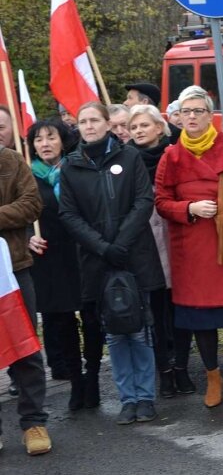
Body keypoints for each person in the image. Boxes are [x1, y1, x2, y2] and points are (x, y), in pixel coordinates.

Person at [155, 86, 223, 408]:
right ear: (178, 117)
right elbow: (161, 201)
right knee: (200, 320)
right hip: (190, 249)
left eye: (198, 111)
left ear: (210, 116)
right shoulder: (171, 156)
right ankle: (212, 377)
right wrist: (188, 209)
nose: (191, 116)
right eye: (185, 111)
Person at [59, 102, 165, 425]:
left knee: (139, 329)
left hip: (134, 256)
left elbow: (143, 201)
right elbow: (69, 215)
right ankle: (127, 398)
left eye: (95, 120)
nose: (89, 126)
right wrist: (104, 247)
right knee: (115, 333)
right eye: (83, 121)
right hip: (98, 261)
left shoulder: (129, 157)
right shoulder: (70, 166)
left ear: (107, 124)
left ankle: (145, 397)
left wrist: (121, 243)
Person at [26, 120, 101, 412]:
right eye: (38, 139)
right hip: (50, 259)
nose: (44, 144)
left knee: (92, 318)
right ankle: (76, 382)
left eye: (50, 137)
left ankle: (93, 375)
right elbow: (19, 214)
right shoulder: (29, 177)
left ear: (63, 140)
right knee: (62, 323)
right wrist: (27, 237)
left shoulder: (76, 167)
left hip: (82, 253)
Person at [126, 105, 195, 398]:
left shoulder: (176, 155)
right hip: (145, 242)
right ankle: (163, 370)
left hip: (175, 236)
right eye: (134, 127)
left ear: (159, 127)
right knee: (155, 310)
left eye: (144, 125)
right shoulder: (126, 160)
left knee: (180, 309)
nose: (138, 131)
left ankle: (182, 366)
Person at [0, 106, 51, 455]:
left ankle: (33, 423)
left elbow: (32, 204)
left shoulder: (12, 161)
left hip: (13, 269)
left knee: (24, 347)